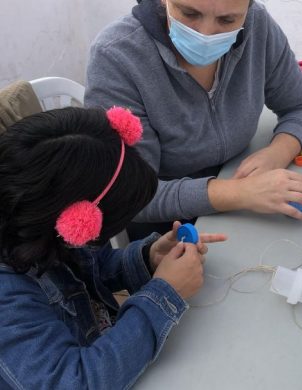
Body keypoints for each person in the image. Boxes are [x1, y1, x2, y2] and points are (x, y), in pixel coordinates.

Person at [0, 107, 226, 388]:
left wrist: (149, 258)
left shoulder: (41, 222)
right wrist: (166, 293)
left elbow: (98, 266)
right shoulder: (7, 302)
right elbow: (74, 382)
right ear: (78, 221)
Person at [85, 0, 302, 238]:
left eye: (227, 20)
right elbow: (128, 194)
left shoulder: (257, 24)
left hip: (246, 198)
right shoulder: (117, 56)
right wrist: (238, 192)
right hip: (166, 229)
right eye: (189, 13)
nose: (206, 34)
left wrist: (278, 153)